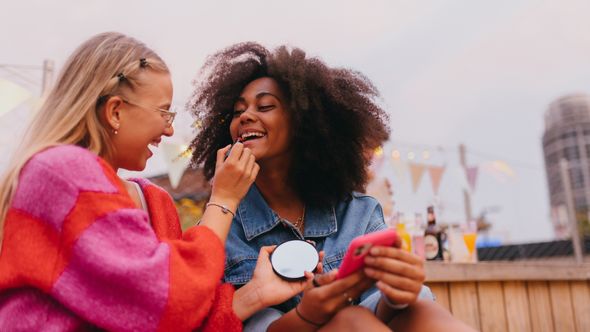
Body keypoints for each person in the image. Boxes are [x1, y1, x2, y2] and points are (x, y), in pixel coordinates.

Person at [0, 33, 309, 331]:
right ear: (116, 112)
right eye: (164, 112)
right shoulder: (60, 173)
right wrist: (223, 200)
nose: (170, 131)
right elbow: (170, 300)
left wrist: (257, 292)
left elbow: (181, 318)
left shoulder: (155, 202)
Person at [188, 42, 475, 332]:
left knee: (420, 309)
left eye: (264, 106)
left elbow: (385, 307)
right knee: (352, 320)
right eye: (237, 111)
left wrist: (398, 293)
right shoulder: (223, 227)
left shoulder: (358, 212)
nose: (246, 116)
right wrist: (307, 315)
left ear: (304, 122)